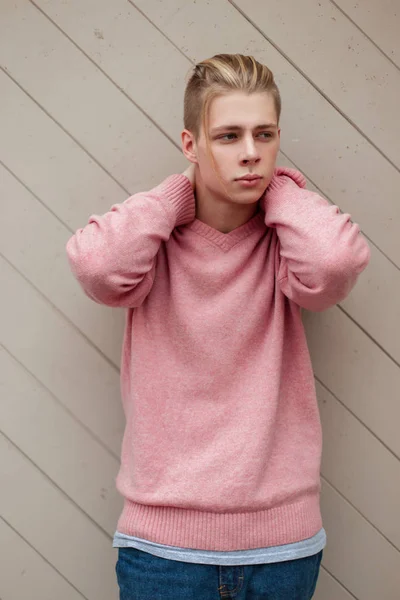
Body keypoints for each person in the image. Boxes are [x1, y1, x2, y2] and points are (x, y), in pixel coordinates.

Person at [66, 54, 371, 599]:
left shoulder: (284, 245)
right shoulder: (152, 248)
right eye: (228, 136)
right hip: (163, 554)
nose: (251, 153)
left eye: (265, 134)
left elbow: (334, 264)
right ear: (191, 145)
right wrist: (175, 195)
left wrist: (278, 191)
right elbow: (98, 267)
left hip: (282, 552)